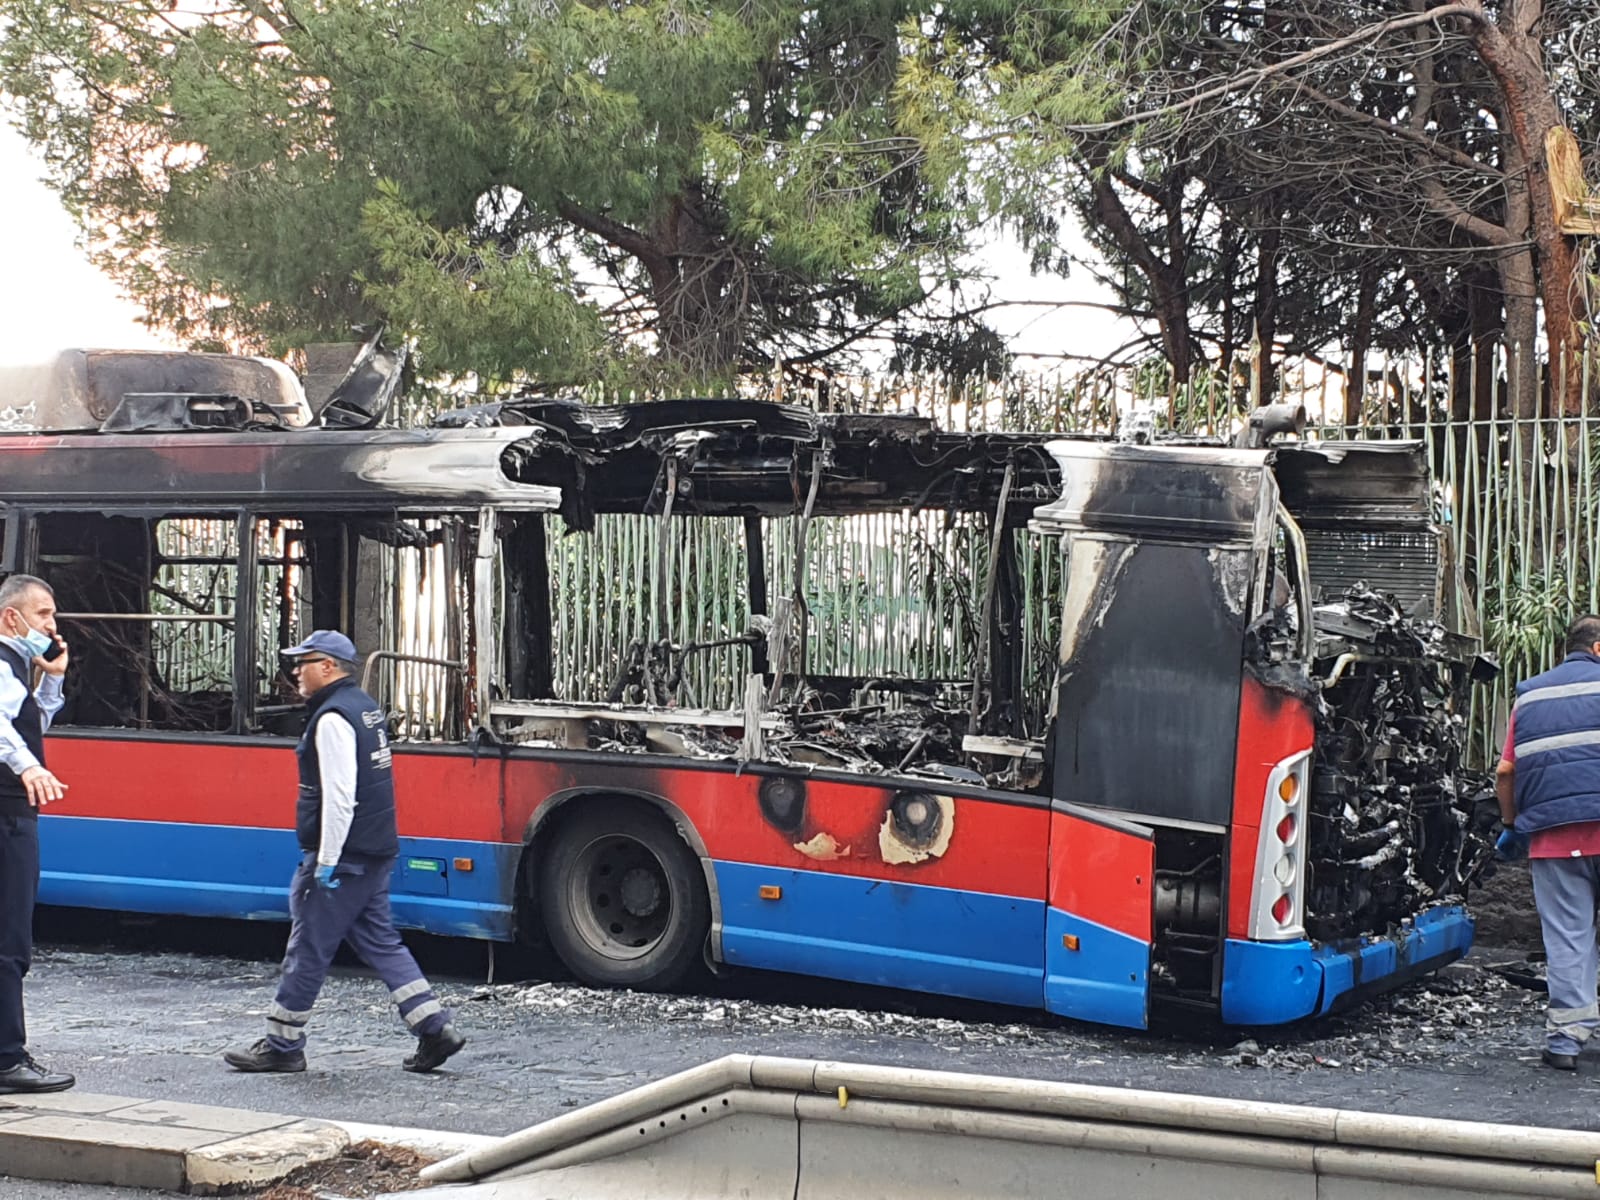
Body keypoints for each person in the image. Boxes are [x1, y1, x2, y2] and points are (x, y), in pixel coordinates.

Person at [224, 630, 465, 1074]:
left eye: (304, 662)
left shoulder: (333, 719)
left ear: (328, 667)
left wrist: (327, 860)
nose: (296, 670)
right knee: (381, 942)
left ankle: (282, 1045)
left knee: (308, 947)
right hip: (374, 850)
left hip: (345, 855)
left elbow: (339, 796)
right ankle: (434, 1028)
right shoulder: (365, 708)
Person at [1495, 613, 1600, 1071]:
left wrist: (1511, 824)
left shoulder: (1530, 695)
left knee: (1567, 937)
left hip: (1554, 838)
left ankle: (1566, 1040)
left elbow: (1506, 772)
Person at [0, 574, 75, 1093]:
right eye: (44, 614)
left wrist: (52, 679)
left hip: (11, 812)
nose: (51, 625)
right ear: (12, 617)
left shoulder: (16, 667)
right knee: (10, 941)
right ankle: (7, 1059)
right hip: (8, 813)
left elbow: (31, 721)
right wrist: (28, 767)